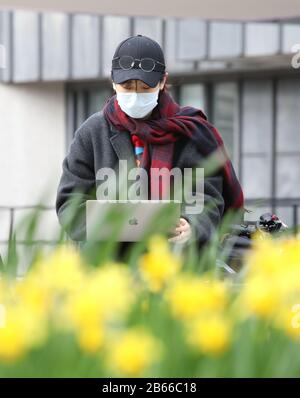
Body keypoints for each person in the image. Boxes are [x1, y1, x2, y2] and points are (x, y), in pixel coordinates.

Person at [55, 34, 244, 254]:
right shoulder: (93, 132)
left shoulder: (191, 132)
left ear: (163, 81)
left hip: (174, 266)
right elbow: (69, 205)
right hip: (107, 272)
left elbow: (208, 197)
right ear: (113, 82)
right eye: (127, 86)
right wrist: (120, 225)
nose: (135, 95)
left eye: (145, 88)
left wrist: (193, 226)